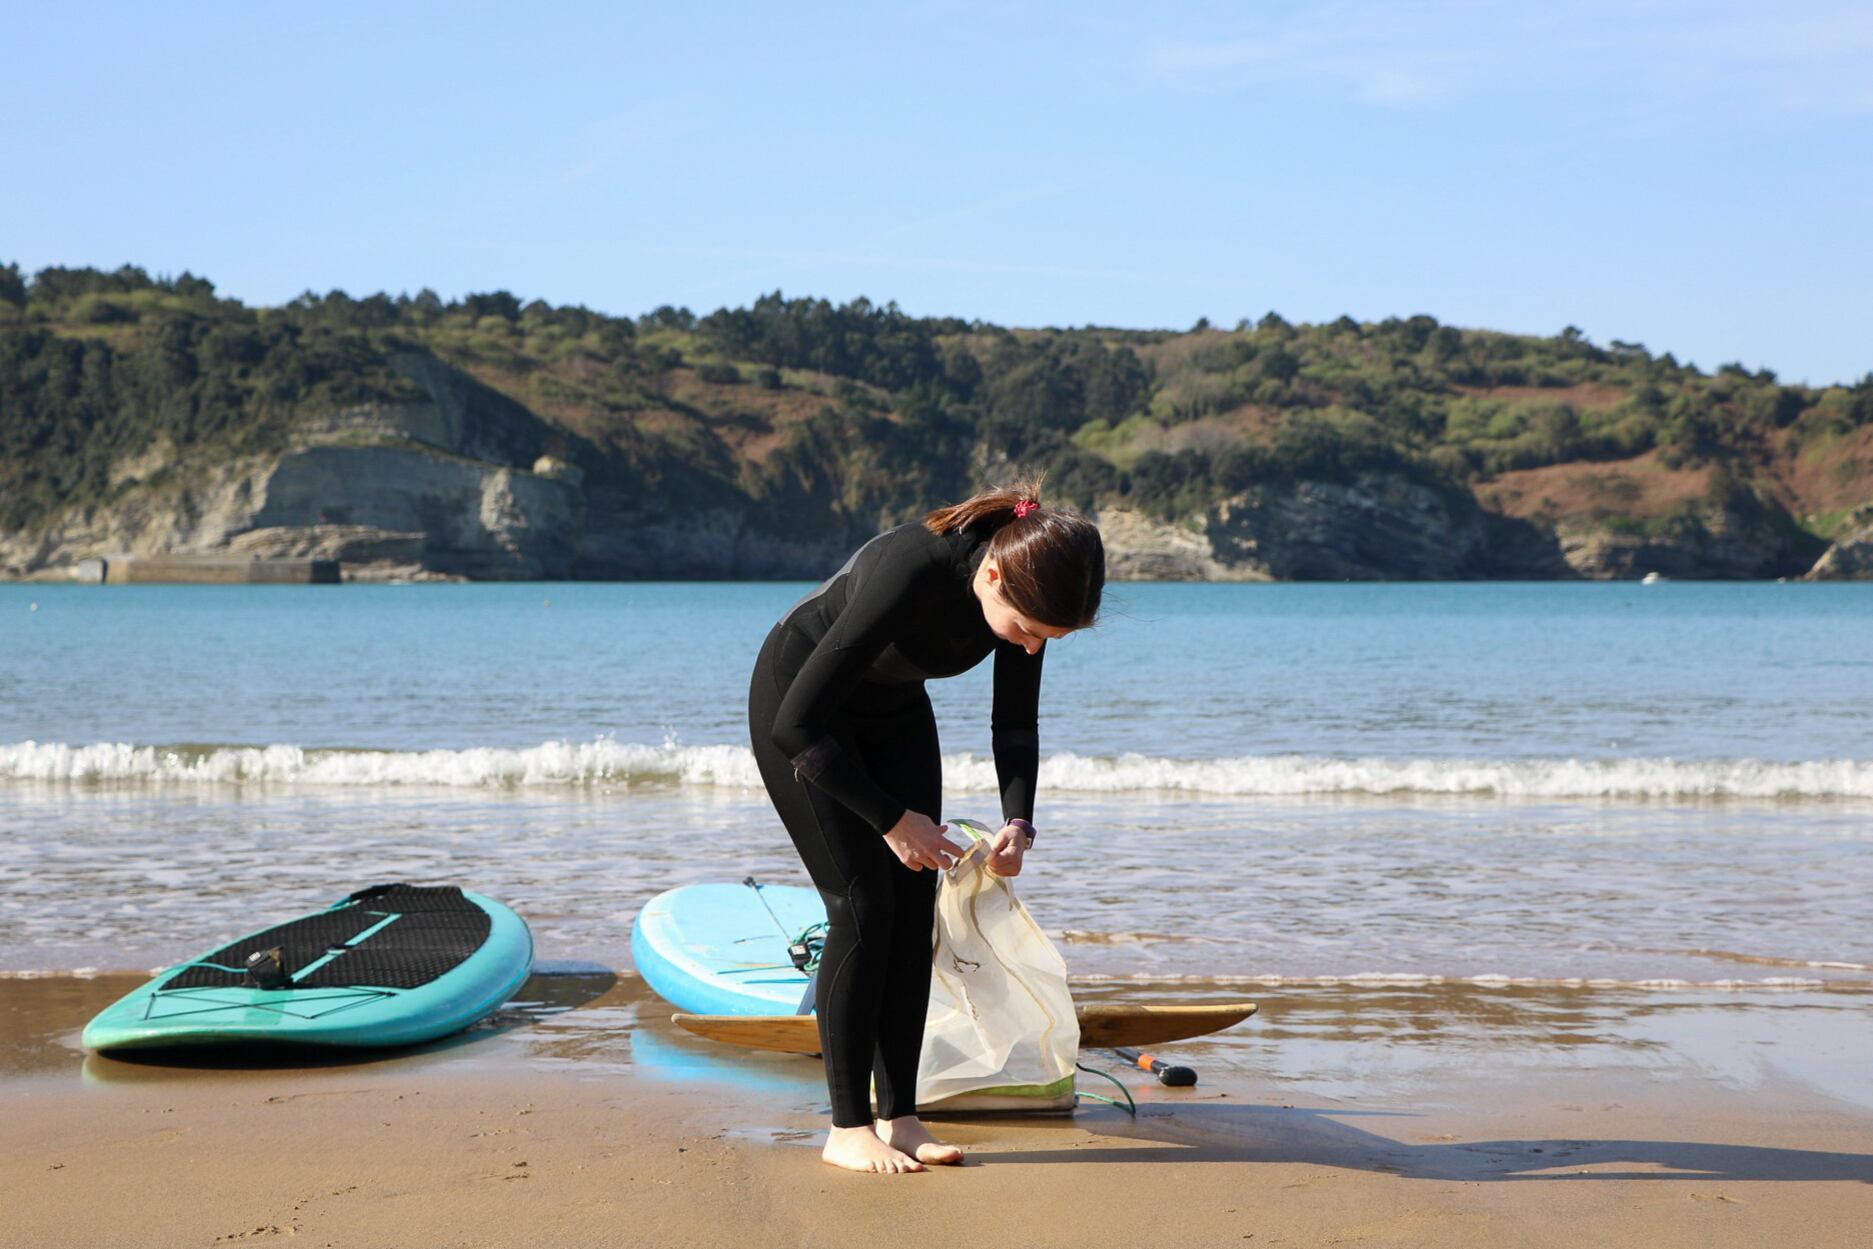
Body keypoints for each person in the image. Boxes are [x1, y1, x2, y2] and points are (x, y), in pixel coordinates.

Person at [746, 479, 1105, 1174]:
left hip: (893, 713)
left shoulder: (1026, 588)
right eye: (1028, 630)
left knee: (913, 908)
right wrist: (888, 818)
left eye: (1047, 640)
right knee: (862, 903)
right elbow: (796, 723)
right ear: (992, 574)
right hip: (804, 715)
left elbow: (1014, 721)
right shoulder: (909, 568)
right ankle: (846, 1127)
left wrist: (1018, 820)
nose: (1032, 648)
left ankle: (899, 1116)